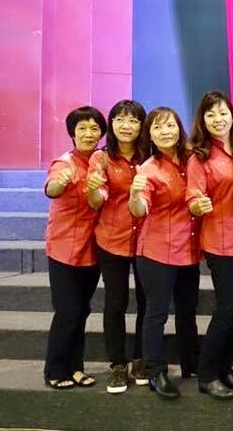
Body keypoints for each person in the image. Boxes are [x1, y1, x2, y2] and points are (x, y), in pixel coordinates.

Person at [186, 92, 233, 399]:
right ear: (202, 120)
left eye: (223, 112)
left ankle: (226, 368)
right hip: (220, 241)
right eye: (211, 114)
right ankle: (208, 373)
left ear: (232, 115)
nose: (218, 119)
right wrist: (197, 205)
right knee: (228, 308)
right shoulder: (199, 157)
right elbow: (193, 196)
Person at [129, 107, 200, 399]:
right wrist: (135, 194)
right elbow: (140, 209)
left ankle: (191, 364)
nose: (165, 132)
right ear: (149, 135)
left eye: (170, 125)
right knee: (156, 313)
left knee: (187, 311)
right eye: (157, 127)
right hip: (157, 252)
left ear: (179, 128)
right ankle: (155, 370)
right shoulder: (148, 169)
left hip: (189, 249)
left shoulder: (192, 159)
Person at [85, 100, 148, 393]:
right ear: (111, 124)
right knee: (115, 303)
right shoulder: (101, 159)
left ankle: (141, 359)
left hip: (147, 240)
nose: (126, 126)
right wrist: (93, 190)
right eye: (120, 119)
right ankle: (118, 365)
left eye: (133, 120)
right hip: (112, 240)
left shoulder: (150, 156)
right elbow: (95, 201)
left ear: (142, 126)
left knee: (147, 303)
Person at [43, 106, 107, 390]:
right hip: (63, 248)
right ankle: (55, 370)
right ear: (72, 133)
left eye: (94, 128)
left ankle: (76, 368)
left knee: (82, 311)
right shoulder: (64, 162)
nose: (89, 133)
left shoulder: (101, 161)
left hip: (91, 249)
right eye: (82, 128)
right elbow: (51, 189)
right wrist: (59, 183)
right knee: (68, 311)